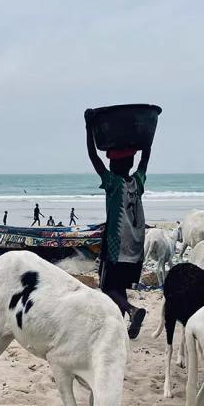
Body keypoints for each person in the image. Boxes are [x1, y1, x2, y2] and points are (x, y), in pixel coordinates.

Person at [85, 110, 149, 338]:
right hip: (136, 245)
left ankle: (133, 310)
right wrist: (146, 137)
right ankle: (122, 325)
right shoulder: (137, 181)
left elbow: (93, 158)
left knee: (108, 286)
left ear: (112, 165)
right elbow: (145, 158)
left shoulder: (112, 182)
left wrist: (88, 128)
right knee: (119, 285)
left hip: (116, 244)